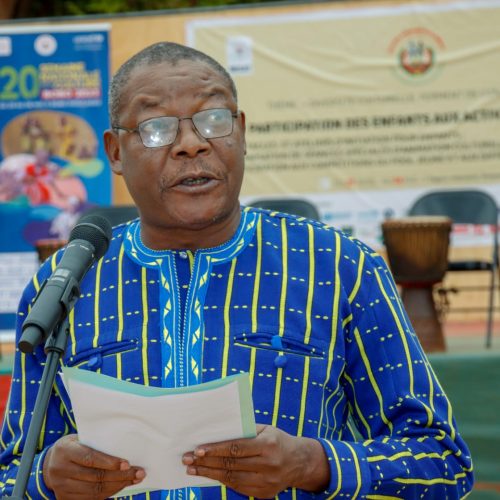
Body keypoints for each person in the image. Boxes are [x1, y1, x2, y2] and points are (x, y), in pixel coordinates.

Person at [0, 41, 473, 500]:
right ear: (116, 152)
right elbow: (11, 477)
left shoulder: (338, 266)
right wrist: (45, 478)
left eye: (213, 119)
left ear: (241, 132)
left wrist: (311, 464)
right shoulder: (66, 283)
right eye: (156, 128)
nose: (190, 144)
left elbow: (443, 463)